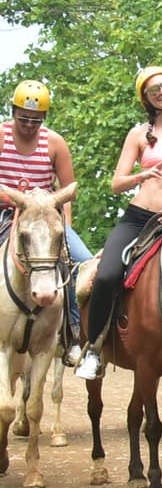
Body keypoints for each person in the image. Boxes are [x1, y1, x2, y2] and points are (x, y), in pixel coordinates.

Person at [75, 66, 162, 379]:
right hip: (139, 218)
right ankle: (94, 348)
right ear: (146, 98)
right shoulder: (138, 134)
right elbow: (116, 183)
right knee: (106, 276)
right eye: (154, 89)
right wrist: (141, 175)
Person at [1, 80, 93, 349]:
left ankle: (73, 332)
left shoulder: (55, 143)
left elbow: (67, 191)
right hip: (6, 213)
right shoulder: (1, 136)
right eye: (24, 118)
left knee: (83, 264)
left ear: (44, 117)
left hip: (46, 220)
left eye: (36, 120)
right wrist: (18, 199)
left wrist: (65, 228)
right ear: (14, 112)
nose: (29, 125)